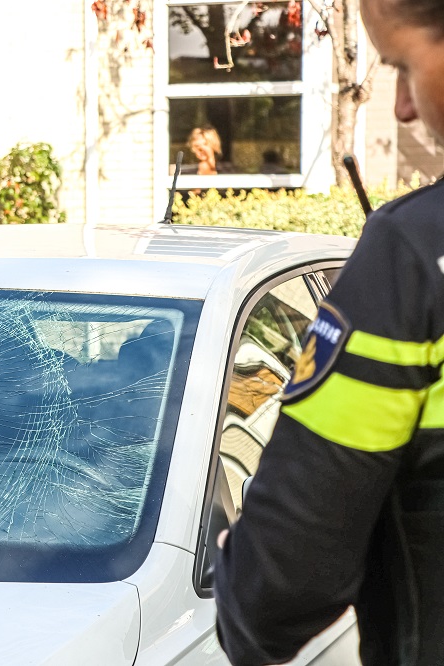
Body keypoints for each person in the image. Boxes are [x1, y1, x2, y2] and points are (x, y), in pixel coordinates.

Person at [213, 0, 444, 663]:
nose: (402, 107)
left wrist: (238, 571)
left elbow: (284, 585)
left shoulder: (414, 257)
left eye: (404, 65)